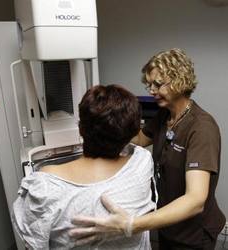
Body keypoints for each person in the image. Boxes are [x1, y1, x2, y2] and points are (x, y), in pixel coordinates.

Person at [69, 49, 226, 250]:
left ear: (180, 81)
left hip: (192, 234)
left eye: (158, 85)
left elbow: (195, 200)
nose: (151, 91)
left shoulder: (202, 128)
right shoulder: (165, 116)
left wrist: (132, 224)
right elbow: (140, 140)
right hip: (167, 224)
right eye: (149, 84)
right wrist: (101, 126)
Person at [11, 84, 157, 249]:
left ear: (80, 129)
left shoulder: (44, 188)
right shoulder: (142, 162)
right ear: (132, 133)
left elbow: (34, 244)